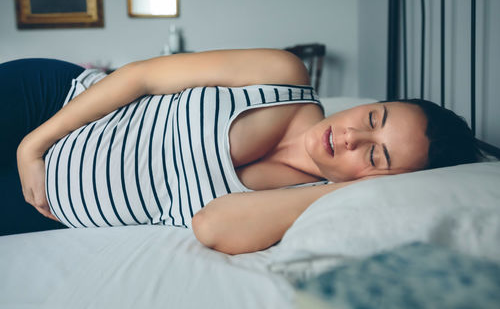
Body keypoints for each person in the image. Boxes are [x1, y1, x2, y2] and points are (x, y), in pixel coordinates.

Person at [0, 49, 480, 254]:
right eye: (373, 118)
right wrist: (32, 144)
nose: (352, 136)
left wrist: (338, 188)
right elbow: (140, 76)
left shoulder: (305, 199)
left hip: (45, 205)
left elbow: (211, 226)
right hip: (47, 104)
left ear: (379, 181)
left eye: (375, 157)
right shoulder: (282, 75)